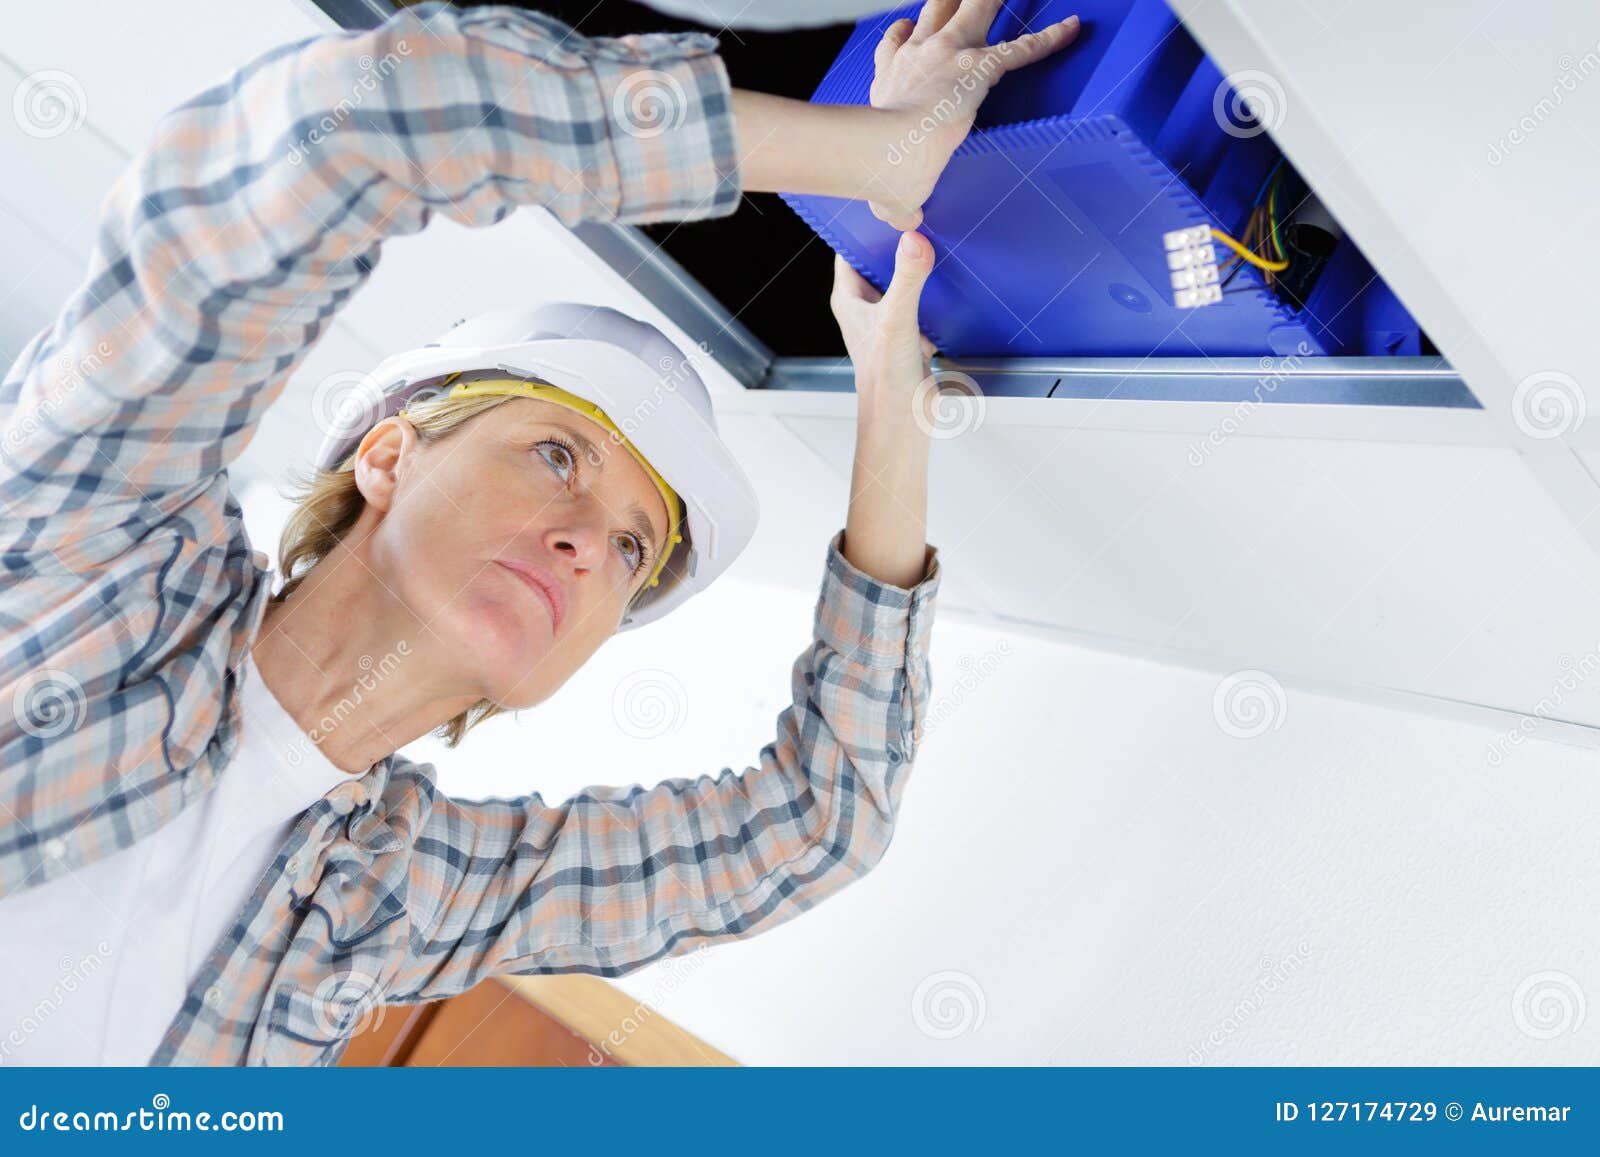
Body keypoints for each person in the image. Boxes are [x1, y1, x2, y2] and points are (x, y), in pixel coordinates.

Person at [0, 0, 1080, 1065]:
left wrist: (892, 406)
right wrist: (872, 156)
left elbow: (816, 821)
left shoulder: (408, 897)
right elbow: (344, 128)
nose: (583, 541)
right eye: (557, 455)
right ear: (386, 455)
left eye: (629, 549)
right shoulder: (100, 566)